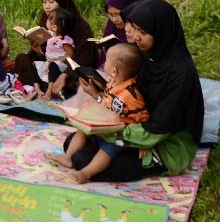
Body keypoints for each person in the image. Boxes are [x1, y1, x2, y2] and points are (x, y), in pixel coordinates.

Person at [64, 0, 205, 182]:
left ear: (161, 33)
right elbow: (132, 98)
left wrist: (122, 135)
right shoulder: (150, 56)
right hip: (135, 127)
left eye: (143, 32)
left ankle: (150, 159)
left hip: (165, 143)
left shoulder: (181, 75)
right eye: (135, 29)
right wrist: (98, 95)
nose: (136, 37)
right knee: (72, 144)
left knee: (83, 159)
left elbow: (161, 125)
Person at [48, 43, 149, 183]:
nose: (104, 62)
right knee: (81, 130)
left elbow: (144, 119)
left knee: (107, 150)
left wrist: (146, 144)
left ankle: (86, 173)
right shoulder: (112, 83)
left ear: (114, 71)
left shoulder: (131, 96)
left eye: (106, 60)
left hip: (120, 135)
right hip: (104, 127)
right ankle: (68, 158)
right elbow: (105, 102)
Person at [12, 0, 96, 97]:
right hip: (49, 64)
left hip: (70, 68)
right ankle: (33, 89)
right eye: (44, 2)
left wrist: (65, 75)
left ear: (62, 2)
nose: (47, 6)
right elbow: (48, 54)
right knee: (23, 59)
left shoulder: (80, 27)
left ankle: (52, 88)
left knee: (79, 80)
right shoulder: (46, 20)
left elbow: (84, 60)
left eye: (51, 2)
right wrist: (38, 50)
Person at [35, 8, 76, 91]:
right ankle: (37, 90)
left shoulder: (64, 40)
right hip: (49, 62)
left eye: (49, 19)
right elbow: (39, 37)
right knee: (35, 67)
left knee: (53, 66)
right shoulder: (49, 34)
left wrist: (61, 58)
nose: (46, 20)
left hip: (59, 65)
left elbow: (71, 54)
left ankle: (49, 90)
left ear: (54, 27)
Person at [98, 0, 139, 68]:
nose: (114, 20)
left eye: (117, 14)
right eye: (110, 14)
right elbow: (103, 58)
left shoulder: (139, 28)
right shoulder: (111, 26)